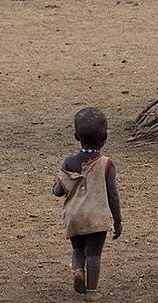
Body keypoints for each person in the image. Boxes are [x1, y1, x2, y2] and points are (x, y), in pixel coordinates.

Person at [52, 107, 122, 302]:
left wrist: (55, 183)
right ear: (105, 136)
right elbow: (113, 195)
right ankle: (91, 291)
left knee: (77, 249)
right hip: (96, 218)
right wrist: (118, 220)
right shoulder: (106, 164)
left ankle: (78, 271)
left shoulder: (69, 162)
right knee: (94, 254)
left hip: (74, 217)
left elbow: (58, 191)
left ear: (76, 136)